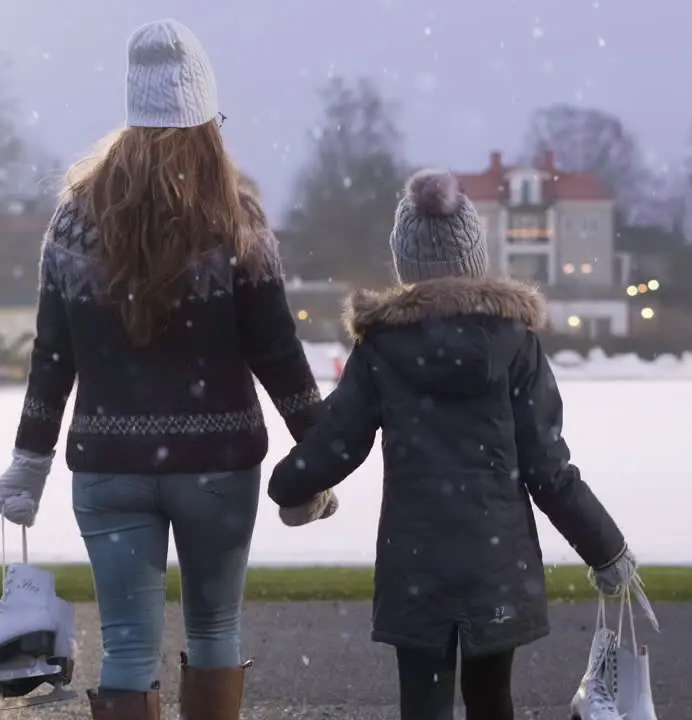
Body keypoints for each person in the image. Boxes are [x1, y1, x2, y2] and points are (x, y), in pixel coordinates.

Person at [0, 18, 336, 720]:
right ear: (206, 117)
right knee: (213, 631)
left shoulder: (74, 220)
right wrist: (318, 451)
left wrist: (30, 460)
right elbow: (276, 348)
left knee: (125, 648)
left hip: (110, 465)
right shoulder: (234, 218)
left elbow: (52, 355)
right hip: (217, 463)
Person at [266, 169, 643, 720]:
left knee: (423, 704)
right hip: (495, 559)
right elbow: (548, 467)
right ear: (474, 256)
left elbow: (337, 441)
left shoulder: (382, 348)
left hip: (415, 562)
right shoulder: (514, 344)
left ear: (405, 262)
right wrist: (606, 549)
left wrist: (288, 484)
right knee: (492, 700)